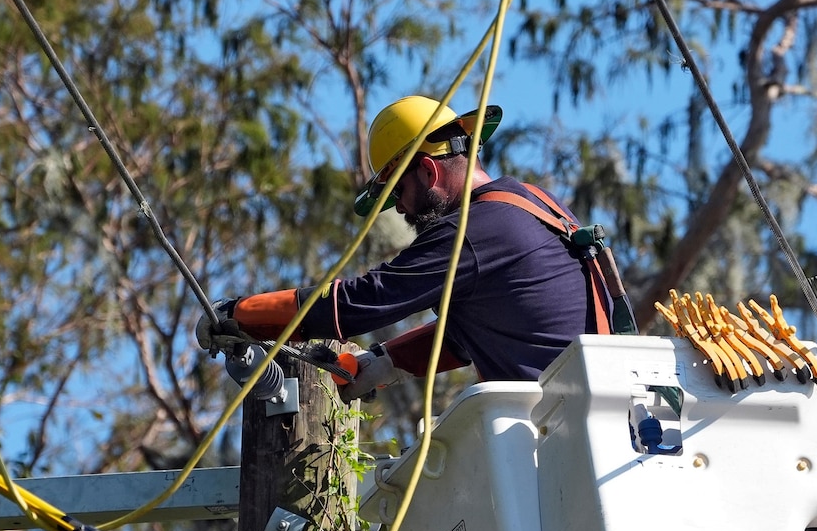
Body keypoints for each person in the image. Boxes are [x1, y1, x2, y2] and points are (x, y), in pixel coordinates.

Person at [201, 95, 613, 400]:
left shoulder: (473, 230)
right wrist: (386, 361)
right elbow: (476, 334)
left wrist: (239, 314)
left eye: (396, 191)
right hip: (596, 416)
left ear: (429, 170)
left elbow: (361, 301)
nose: (397, 207)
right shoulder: (534, 203)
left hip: (563, 431)